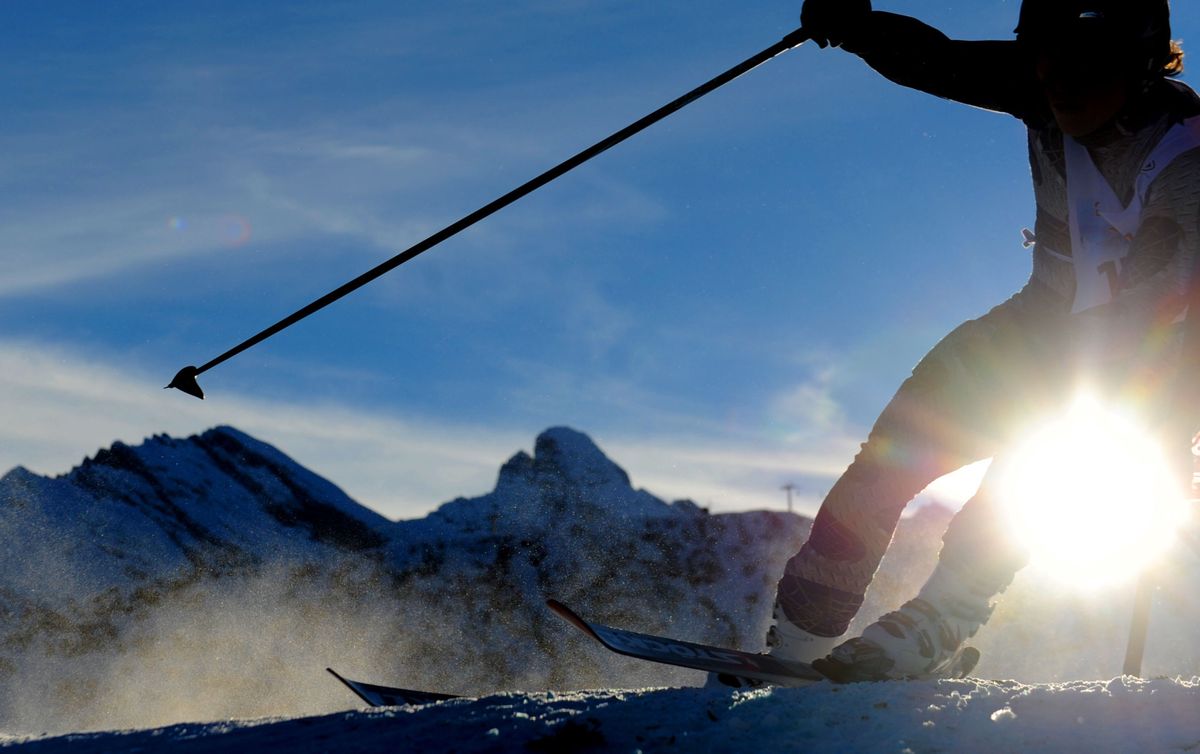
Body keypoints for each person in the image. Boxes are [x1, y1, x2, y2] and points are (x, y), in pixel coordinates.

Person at [743, 0, 1200, 684]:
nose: (1058, 81)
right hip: (1043, 322)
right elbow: (940, 61)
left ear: (1140, 61)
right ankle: (799, 643)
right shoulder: (1040, 88)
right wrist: (855, 24)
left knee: (1038, 461)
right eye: (1044, 57)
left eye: (1082, 62)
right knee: (894, 453)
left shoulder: (1187, 161)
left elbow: (1156, 329)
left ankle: (940, 623)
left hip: (1159, 355)